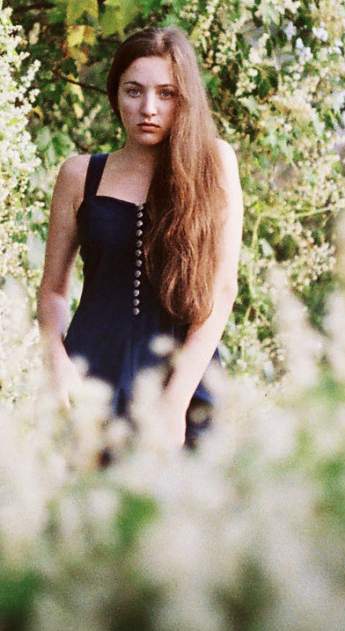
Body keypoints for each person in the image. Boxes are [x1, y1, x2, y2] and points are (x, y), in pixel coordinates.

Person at [37, 26, 243, 448]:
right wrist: (57, 362)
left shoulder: (214, 165)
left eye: (166, 93)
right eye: (134, 91)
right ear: (115, 94)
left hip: (182, 376)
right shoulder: (79, 176)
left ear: (184, 98)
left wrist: (174, 402)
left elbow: (222, 291)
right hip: (90, 376)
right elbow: (53, 290)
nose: (148, 108)